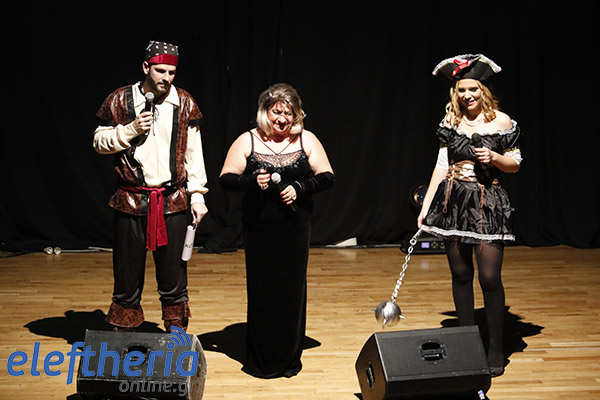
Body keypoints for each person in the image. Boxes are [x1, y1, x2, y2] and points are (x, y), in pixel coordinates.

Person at [219, 83, 334, 378]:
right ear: (265, 112)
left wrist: (300, 187)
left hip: (295, 229)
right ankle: (261, 360)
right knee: (262, 290)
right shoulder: (248, 140)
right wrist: (251, 181)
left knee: (291, 292)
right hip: (259, 229)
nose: (282, 119)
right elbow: (226, 178)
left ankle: (288, 359)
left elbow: (327, 176)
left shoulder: (306, 139)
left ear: (297, 115)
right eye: (276, 112)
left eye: (289, 113)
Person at [417, 54, 522, 377]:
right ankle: (466, 345)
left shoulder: (501, 122)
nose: (467, 96)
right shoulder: (450, 122)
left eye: (473, 89)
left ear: (483, 90)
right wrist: (426, 205)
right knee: (461, 274)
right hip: (454, 200)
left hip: (487, 201)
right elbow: (440, 166)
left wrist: (494, 157)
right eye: (462, 90)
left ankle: (495, 347)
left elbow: (515, 163)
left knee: (489, 277)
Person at [93, 40, 208, 332]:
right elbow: (99, 142)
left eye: (171, 72)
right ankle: (123, 333)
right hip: (131, 200)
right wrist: (130, 130)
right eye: (160, 71)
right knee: (127, 274)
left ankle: (176, 334)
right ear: (146, 67)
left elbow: (193, 154)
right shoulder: (120, 100)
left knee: (173, 274)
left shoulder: (184, 103)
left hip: (172, 200)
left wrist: (197, 196)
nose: (166, 78)